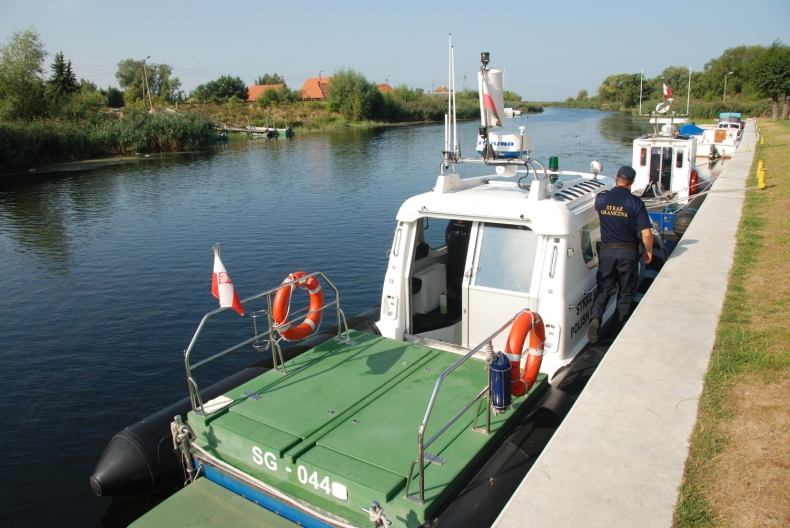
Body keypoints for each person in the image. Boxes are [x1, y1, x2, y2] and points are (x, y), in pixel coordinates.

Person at [587, 165, 653, 344]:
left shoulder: (602, 200)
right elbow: (647, 233)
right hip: (628, 254)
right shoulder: (635, 203)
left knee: (604, 289)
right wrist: (648, 251)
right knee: (625, 293)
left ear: (616, 177)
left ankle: (596, 318)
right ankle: (614, 333)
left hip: (607, 253)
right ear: (632, 183)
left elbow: (598, 204)